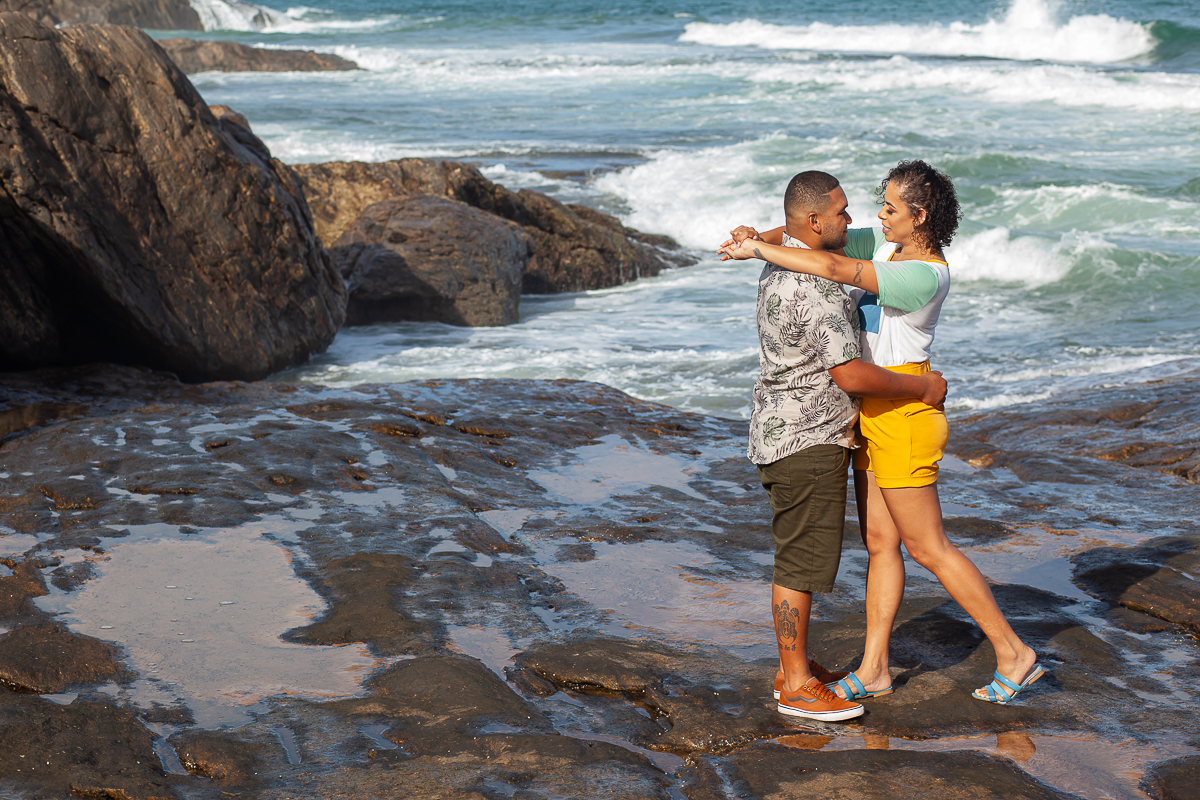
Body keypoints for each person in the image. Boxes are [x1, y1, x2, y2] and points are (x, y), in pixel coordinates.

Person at [720, 161, 1043, 707]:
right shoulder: (886, 244)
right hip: (871, 411)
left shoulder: (925, 275)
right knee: (880, 544)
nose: (878, 215)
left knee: (928, 546)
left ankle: (1014, 652)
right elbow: (805, 234)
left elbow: (832, 264)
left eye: (890, 207)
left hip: (905, 410)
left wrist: (756, 251)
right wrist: (758, 236)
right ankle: (874, 669)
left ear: (920, 216)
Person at [738, 170, 948, 721]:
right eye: (842, 212)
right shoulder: (819, 285)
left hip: (778, 426)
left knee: (799, 555)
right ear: (814, 221)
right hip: (809, 439)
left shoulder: (779, 263)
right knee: (800, 563)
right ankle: (796, 685)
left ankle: (794, 669)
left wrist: (755, 240)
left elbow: (811, 249)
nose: (852, 220)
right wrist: (923, 388)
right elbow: (851, 375)